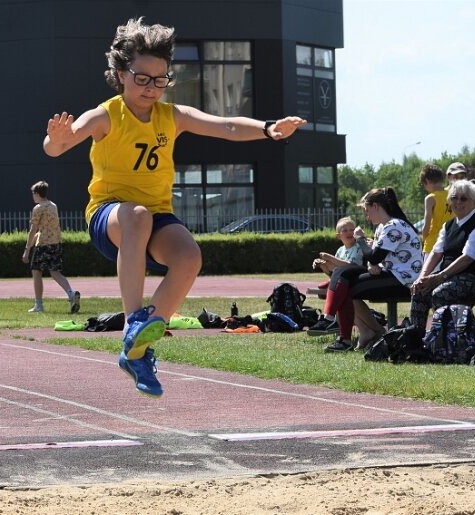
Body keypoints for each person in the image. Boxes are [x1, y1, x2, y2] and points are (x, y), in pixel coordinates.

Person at [42, 17, 305, 397]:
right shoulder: (106, 115)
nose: (151, 88)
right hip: (111, 215)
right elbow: (59, 146)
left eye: (160, 79)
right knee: (137, 215)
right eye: (142, 78)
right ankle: (134, 319)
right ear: (120, 73)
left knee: (188, 256)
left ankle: (140, 349)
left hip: (155, 216)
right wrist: (57, 140)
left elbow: (226, 126)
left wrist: (268, 129)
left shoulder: (172, 116)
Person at [308, 187, 422, 352]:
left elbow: (374, 256)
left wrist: (360, 239)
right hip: (391, 273)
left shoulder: (394, 226)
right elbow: (373, 258)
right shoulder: (383, 227)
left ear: (376, 206)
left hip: (404, 280)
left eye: (367, 210)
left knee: (346, 286)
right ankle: (332, 321)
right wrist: (372, 265)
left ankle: (345, 336)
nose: (366, 216)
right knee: (342, 273)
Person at [409, 180, 475, 335]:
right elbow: (436, 253)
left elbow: (467, 258)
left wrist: (439, 277)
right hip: (447, 276)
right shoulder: (448, 225)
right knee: (419, 290)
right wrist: (422, 277)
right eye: (454, 198)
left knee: (439, 293)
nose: (458, 202)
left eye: (463, 198)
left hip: (470, 277)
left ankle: (446, 342)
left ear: (474, 202)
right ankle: (415, 340)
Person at [22, 181, 80, 314]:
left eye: (33, 193)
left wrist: (27, 250)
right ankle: (71, 294)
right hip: (56, 243)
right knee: (55, 272)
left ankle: (38, 305)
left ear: (37, 193)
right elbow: (46, 228)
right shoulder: (53, 206)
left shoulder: (38, 208)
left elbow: (33, 230)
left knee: (36, 272)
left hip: (43, 245)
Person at [310, 217, 365, 336]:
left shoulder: (358, 247)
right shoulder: (340, 250)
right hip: (343, 280)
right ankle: (337, 327)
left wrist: (330, 258)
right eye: (345, 230)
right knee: (329, 285)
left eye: (352, 230)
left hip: (355, 279)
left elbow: (350, 266)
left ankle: (329, 320)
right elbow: (333, 274)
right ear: (338, 236)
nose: (349, 233)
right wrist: (324, 266)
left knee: (339, 289)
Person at [419, 164, 453, 264]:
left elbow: (426, 226)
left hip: (433, 245)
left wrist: (424, 239)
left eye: (424, 185)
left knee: (429, 278)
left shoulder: (430, 198)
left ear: (428, 181)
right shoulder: (453, 194)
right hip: (450, 243)